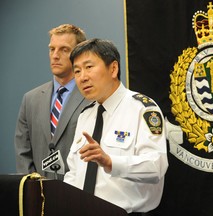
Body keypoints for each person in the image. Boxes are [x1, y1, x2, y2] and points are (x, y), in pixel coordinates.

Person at [63, 38, 168, 214]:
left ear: (113, 68)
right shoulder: (85, 115)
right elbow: (74, 173)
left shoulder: (143, 109)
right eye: (77, 71)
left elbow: (156, 166)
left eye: (89, 67)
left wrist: (110, 162)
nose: (82, 77)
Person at [14, 24, 89, 180]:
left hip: (79, 196)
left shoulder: (92, 99)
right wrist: (31, 190)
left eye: (64, 50)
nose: (55, 55)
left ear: (79, 54)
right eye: (52, 49)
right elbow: (23, 153)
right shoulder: (30, 99)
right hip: (38, 195)